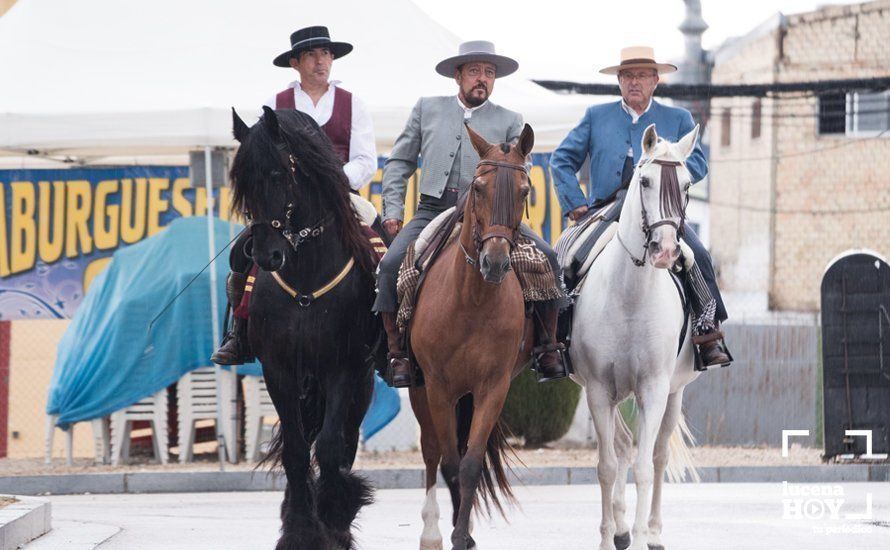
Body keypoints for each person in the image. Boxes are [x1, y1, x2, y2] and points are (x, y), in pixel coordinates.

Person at [377, 41, 568, 388]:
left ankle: (547, 347)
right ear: (458, 76)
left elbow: (517, 170)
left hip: (492, 214)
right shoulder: (427, 108)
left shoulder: (511, 120)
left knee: (549, 258)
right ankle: (397, 354)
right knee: (390, 266)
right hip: (433, 209)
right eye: (475, 72)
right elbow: (400, 162)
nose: (482, 79)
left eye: (489, 73)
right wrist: (392, 209)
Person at [550, 46, 732, 369]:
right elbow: (561, 160)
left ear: (655, 81)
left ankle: (708, 332)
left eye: (643, 76)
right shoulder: (596, 117)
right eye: (629, 76)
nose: (635, 82)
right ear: (619, 81)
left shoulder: (678, 119)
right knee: (564, 253)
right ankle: (555, 340)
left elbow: (699, 164)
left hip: (661, 214)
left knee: (699, 256)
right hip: (605, 212)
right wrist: (575, 205)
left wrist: (672, 183)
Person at [212, 26, 378, 365]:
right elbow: (263, 154)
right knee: (242, 254)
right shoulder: (276, 104)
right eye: (313, 55)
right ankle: (238, 333)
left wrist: (330, 180)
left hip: (341, 198)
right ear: (295, 62)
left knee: (383, 246)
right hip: (286, 203)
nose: (322, 62)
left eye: (326, 54)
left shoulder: (353, 104)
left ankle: (388, 339)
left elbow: (366, 160)